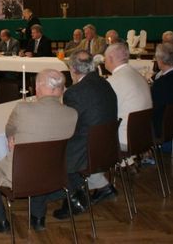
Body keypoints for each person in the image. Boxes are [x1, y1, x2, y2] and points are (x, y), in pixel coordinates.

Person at [0, 70, 78, 233]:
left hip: (19, 175)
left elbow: (9, 130)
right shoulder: (72, 114)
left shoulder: (23, 108)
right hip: (54, 173)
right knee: (39, 167)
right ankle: (38, 218)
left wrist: (13, 138)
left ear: (38, 87)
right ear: (61, 89)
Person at [29, 51, 117, 228]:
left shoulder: (75, 92)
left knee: (41, 152)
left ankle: (70, 197)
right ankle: (79, 189)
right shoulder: (105, 83)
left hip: (84, 151)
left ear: (73, 70)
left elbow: (66, 125)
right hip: (105, 145)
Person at [85, 43, 153, 205]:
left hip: (125, 139)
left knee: (83, 138)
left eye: (105, 59)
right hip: (142, 136)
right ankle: (126, 162)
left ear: (110, 58)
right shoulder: (136, 74)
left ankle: (99, 185)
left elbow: (98, 112)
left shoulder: (115, 81)